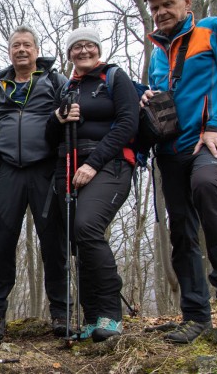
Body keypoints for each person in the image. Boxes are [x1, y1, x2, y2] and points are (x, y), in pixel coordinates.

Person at [142, 0, 217, 347]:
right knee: (181, 231)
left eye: (167, 4)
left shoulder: (213, 30)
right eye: (155, 8)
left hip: (207, 144)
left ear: (187, 2)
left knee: (207, 190)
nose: (160, 13)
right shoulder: (158, 54)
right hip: (170, 152)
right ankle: (195, 315)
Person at [45, 27, 139, 341]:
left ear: (98, 50)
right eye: (77, 47)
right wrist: (57, 118)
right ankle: (91, 317)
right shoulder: (66, 88)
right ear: (69, 53)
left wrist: (92, 164)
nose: (84, 51)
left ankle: (111, 314)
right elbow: (49, 137)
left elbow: (128, 123)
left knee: (86, 227)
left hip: (109, 166)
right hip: (68, 170)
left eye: (89, 46)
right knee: (77, 241)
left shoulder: (115, 78)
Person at [0, 25, 70, 343]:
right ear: (9, 51)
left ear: (36, 50)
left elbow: (67, 122)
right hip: (9, 171)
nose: (21, 50)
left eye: (27, 45)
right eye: (16, 45)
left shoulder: (55, 81)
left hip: (45, 170)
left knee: (53, 244)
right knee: (3, 242)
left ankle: (62, 314)